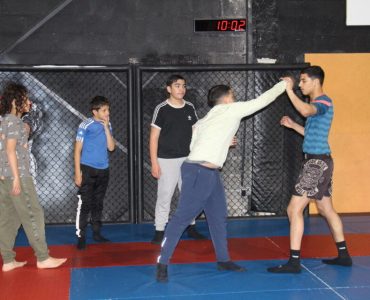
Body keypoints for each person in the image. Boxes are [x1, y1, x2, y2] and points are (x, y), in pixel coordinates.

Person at [156, 78, 289, 282]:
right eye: (233, 95)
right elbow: (263, 100)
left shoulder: (206, 120)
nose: (234, 98)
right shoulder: (230, 110)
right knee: (182, 217)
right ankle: (162, 262)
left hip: (208, 173)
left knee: (218, 216)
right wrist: (283, 85)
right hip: (199, 171)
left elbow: (195, 144)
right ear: (226, 98)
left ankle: (223, 259)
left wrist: (224, 142)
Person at [268, 66, 352, 274]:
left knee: (293, 209)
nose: (301, 85)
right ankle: (344, 255)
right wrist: (293, 126)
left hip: (316, 164)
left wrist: (288, 89)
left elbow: (305, 111)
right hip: (320, 161)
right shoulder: (317, 104)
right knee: (325, 209)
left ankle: (294, 262)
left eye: (303, 80)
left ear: (315, 81)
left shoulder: (323, 102)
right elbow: (311, 132)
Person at [0, 82, 66, 272]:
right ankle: (43, 258)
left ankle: (8, 260)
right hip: (16, 175)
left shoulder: (6, 121)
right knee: (33, 213)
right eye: (25, 99)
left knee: (9, 218)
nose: (29, 101)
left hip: (5, 176)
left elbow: (10, 145)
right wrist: (17, 178)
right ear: (15, 102)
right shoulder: (12, 121)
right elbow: (11, 150)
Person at [150, 74, 205, 244]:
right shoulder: (162, 109)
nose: (181, 89)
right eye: (177, 85)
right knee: (165, 195)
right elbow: (153, 138)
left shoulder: (189, 107)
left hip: (188, 159)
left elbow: (197, 131)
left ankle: (191, 226)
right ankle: (160, 230)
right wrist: (154, 163)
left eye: (183, 85)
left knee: (189, 194)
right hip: (166, 160)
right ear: (169, 89)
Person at [74, 96, 115, 250]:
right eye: (104, 110)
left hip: (103, 169)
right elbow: (77, 150)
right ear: (95, 111)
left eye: (108, 110)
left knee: (98, 202)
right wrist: (78, 172)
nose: (107, 113)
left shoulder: (107, 124)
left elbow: (111, 147)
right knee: (85, 203)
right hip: (88, 169)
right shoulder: (86, 125)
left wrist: (105, 128)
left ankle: (97, 233)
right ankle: (81, 235)